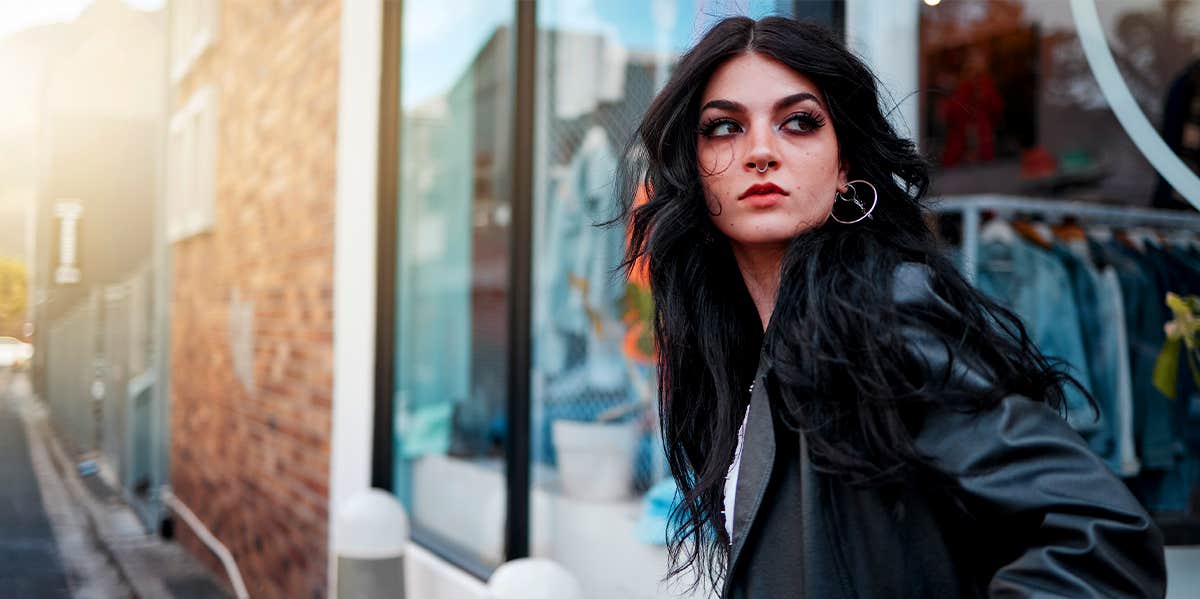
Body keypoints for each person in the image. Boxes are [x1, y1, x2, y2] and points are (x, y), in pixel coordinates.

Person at [613, 16, 1166, 598]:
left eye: (799, 122)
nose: (760, 152)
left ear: (845, 164)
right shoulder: (755, 341)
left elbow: (1100, 538)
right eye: (723, 127)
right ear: (693, 170)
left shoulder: (881, 310)